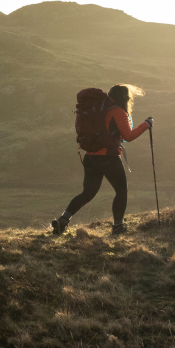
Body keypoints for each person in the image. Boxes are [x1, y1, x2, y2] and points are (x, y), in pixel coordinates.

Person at [51, 84, 150, 236]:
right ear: (125, 98)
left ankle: (63, 219)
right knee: (121, 191)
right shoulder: (117, 111)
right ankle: (118, 227)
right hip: (108, 158)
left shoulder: (99, 109)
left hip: (90, 157)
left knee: (88, 193)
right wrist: (146, 125)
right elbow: (128, 136)